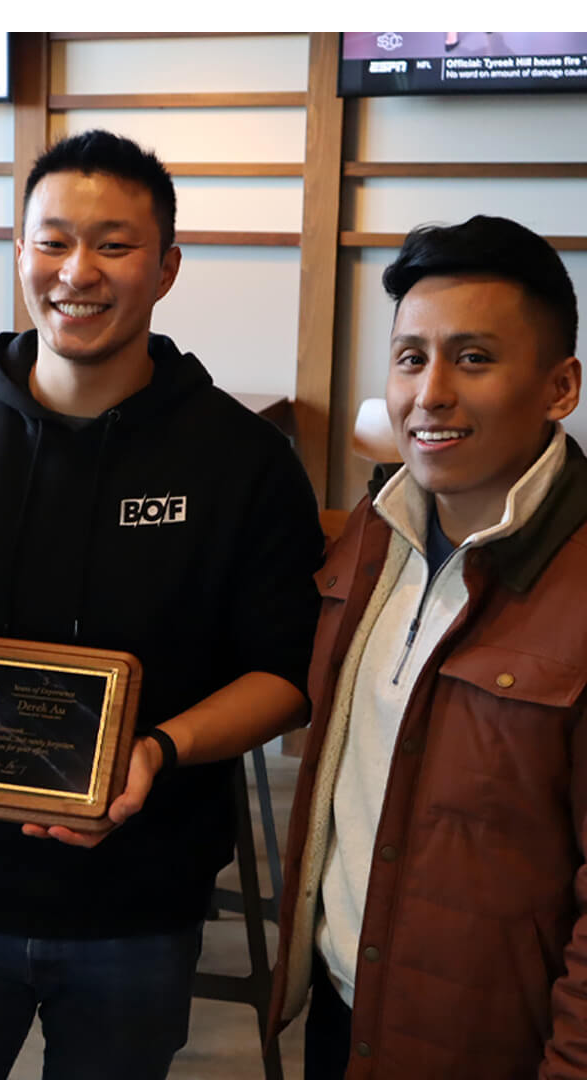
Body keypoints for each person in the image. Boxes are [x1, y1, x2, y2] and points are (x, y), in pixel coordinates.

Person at [0, 129, 323, 1080]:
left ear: (168, 267)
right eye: (51, 241)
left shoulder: (240, 460)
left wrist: (157, 749)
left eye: (114, 244)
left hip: (138, 904)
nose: (77, 272)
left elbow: (287, 671)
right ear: (19, 254)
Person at [269, 215, 586, 1079]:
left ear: (561, 386)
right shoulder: (373, 534)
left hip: (493, 1047)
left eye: (473, 359)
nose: (430, 393)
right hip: (343, 1012)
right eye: (411, 358)